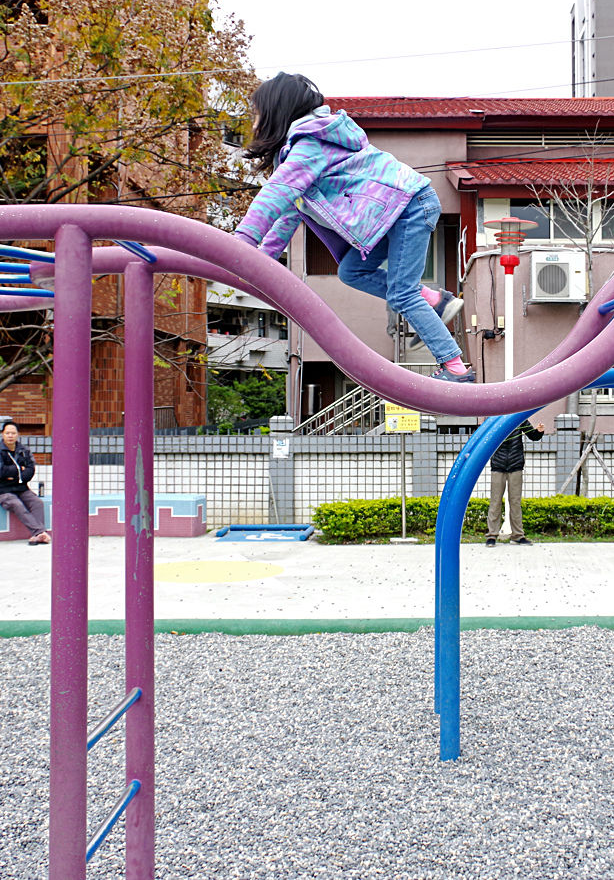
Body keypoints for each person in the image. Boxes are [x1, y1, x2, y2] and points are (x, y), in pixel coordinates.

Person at [233, 72, 471, 383]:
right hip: (395, 213)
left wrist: (243, 240)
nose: (253, 122)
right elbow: (288, 215)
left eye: (257, 114)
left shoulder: (311, 145)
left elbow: (276, 194)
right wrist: (259, 260)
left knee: (402, 294)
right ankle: (436, 301)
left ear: (277, 112)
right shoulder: (299, 153)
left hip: (410, 206)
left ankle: (455, 368)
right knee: (352, 271)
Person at [484, 419, 545, 547]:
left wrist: (539, 432)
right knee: (495, 501)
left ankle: (518, 536)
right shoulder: (493, 418)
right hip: (498, 465)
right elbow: (486, 439)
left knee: (515, 502)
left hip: (516, 465)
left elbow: (533, 436)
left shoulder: (520, 417)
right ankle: (492, 535)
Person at [0, 423, 50, 544]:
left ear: (18, 435)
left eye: (13, 433)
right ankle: (39, 532)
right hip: (2, 489)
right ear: (2, 434)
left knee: (37, 502)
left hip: (21, 488)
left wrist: (14, 475)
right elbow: (0, 471)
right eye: (7, 433)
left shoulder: (24, 450)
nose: (10, 436)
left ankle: (38, 535)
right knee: (16, 504)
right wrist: (19, 470)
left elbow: (30, 470)